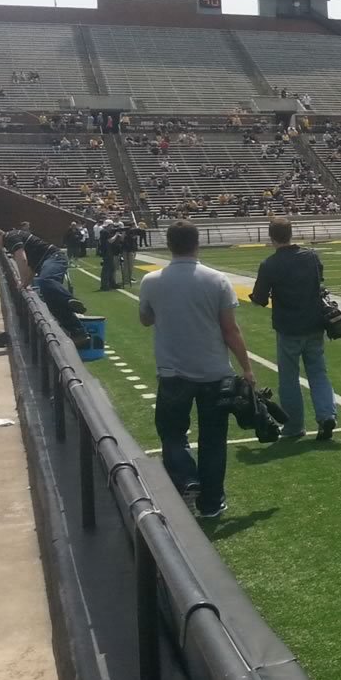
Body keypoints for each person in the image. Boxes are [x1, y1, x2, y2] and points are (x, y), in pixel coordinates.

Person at [138, 220, 254, 519]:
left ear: (168, 244)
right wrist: (247, 368)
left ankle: (188, 478)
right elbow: (230, 330)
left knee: (171, 433)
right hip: (214, 371)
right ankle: (211, 502)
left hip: (173, 371)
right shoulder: (217, 280)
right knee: (213, 439)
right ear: (197, 243)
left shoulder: (151, 281)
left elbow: (146, 320)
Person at [249, 216, 337, 442]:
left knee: (289, 379)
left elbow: (259, 298)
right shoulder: (311, 257)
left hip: (288, 327)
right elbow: (320, 283)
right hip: (314, 324)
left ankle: (294, 426)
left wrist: (257, 296)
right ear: (291, 233)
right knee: (318, 373)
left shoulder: (269, 264)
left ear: (271, 237)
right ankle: (327, 414)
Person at [0, 224, 91, 349]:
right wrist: (25, 283)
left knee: (45, 280)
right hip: (47, 262)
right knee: (53, 304)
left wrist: (22, 282)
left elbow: (22, 260)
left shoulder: (10, 237)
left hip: (54, 258)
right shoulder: (11, 239)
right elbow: (31, 267)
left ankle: (70, 299)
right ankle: (79, 333)